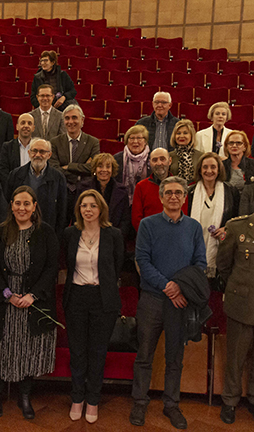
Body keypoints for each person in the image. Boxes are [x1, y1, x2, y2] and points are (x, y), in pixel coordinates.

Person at [129, 176, 207, 430]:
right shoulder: (147, 225)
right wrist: (168, 286)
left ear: (185, 198)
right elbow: (142, 261)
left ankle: (171, 404)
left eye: (178, 193)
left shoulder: (194, 228)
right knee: (144, 355)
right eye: (169, 193)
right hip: (152, 300)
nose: (174, 196)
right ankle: (140, 402)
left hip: (179, 303)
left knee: (175, 358)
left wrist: (179, 289)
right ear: (161, 197)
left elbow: (200, 265)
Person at [0, 186, 58, 419]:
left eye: (27, 203)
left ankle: (24, 397)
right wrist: (8, 293)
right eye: (17, 203)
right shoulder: (0, 232)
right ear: (11, 205)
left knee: (28, 350)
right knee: (1, 348)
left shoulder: (45, 232)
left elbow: (51, 268)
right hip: (4, 300)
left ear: (34, 206)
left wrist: (32, 296)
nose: (22, 208)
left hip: (32, 302)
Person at [61, 190, 123, 424]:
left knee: (97, 352)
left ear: (101, 209)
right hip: (76, 296)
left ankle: (93, 400)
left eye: (93, 206)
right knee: (77, 351)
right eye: (84, 205)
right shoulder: (69, 233)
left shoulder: (113, 234)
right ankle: (77, 397)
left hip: (103, 298)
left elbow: (115, 267)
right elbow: (65, 262)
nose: (88, 209)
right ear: (78, 209)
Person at [216, 211, 254, 424]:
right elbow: (223, 264)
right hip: (242, 303)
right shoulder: (238, 227)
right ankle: (230, 400)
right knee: (236, 357)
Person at [186, 153, 240, 280]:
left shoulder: (231, 191)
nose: (209, 171)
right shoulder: (190, 192)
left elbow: (238, 219)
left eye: (213, 167)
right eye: (205, 167)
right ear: (199, 169)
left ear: (219, 169)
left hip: (221, 247)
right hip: (194, 244)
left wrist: (227, 229)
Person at [5, 137, 68, 235]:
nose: (38, 155)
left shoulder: (58, 178)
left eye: (42, 151)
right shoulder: (15, 175)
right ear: (29, 153)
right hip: (19, 230)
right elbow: (8, 204)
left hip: (47, 232)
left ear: (49, 155)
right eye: (34, 151)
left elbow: (62, 211)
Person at [49, 104, 101, 219]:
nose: (70, 121)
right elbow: (54, 169)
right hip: (62, 191)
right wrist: (81, 169)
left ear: (82, 120)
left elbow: (93, 167)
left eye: (74, 117)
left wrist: (68, 167)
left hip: (84, 191)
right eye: (67, 118)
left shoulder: (93, 142)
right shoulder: (55, 142)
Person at [76, 154, 131, 237]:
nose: (104, 170)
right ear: (95, 169)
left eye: (108, 167)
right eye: (100, 166)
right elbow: (77, 214)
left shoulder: (122, 191)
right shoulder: (83, 188)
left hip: (114, 236)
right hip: (87, 235)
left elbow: (125, 219)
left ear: (112, 169)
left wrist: (117, 237)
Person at [132, 148, 178, 232]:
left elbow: (184, 216)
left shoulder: (179, 186)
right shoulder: (141, 187)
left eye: (162, 159)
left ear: (170, 161)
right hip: (149, 239)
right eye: (155, 160)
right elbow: (136, 219)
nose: (159, 163)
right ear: (150, 163)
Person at [115, 125, 151, 205]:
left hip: (146, 201)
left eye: (139, 138)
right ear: (126, 141)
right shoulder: (117, 159)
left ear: (145, 141)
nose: (135, 141)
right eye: (131, 138)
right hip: (122, 202)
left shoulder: (152, 159)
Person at [0, 113, 35, 187]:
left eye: (29, 123)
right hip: (13, 189)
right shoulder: (7, 147)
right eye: (23, 123)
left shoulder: (38, 148)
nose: (26, 126)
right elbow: (3, 171)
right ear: (17, 127)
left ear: (33, 128)